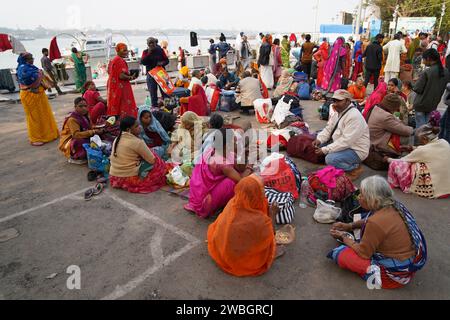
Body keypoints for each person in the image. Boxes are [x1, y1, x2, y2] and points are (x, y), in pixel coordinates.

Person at [328, 176, 427, 289]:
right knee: (363, 218)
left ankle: (376, 275)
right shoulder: (393, 205)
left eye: (362, 195)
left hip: (394, 274)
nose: (358, 197)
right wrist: (349, 225)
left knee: (340, 254)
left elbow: (364, 253)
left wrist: (344, 238)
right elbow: (369, 220)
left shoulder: (375, 222)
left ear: (373, 200)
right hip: (409, 260)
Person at [207, 174, 283, 277]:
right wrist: (273, 214)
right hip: (239, 259)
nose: (264, 192)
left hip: (224, 249)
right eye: (262, 190)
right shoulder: (259, 220)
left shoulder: (232, 203)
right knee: (271, 248)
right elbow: (270, 235)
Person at [184, 128, 253, 219]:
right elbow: (241, 181)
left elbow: (239, 167)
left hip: (197, 194)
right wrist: (249, 167)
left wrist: (245, 155)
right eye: (234, 141)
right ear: (227, 145)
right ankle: (218, 206)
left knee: (235, 174)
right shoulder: (222, 163)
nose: (236, 143)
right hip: (204, 202)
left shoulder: (213, 150)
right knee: (232, 183)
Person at [313, 89, 370, 178]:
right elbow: (329, 129)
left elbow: (346, 141)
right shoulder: (338, 112)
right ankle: (341, 164)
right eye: (334, 101)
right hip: (343, 144)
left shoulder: (354, 116)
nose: (335, 104)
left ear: (347, 101)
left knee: (330, 159)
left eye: (339, 101)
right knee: (317, 145)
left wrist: (325, 149)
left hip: (355, 150)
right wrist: (319, 139)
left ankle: (353, 168)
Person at [388, 125, 450, 199]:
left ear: (424, 138)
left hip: (433, 191)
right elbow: (431, 149)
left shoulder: (422, 150)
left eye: (419, 139)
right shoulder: (444, 143)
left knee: (396, 164)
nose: (419, 141)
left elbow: (402, 160)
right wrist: (412, 148)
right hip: (447, 189)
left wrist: (387, 159)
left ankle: (406, 186)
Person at [109, 116, 167, 194]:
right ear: (128, 130)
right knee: (158, 162)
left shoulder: (117, 139)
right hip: (129, 177)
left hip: (115, 176)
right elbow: (152, 160)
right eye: (136, 126)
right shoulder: (137, 142)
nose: (140, 127)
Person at [17, 52, 59, 147]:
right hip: (29, 95)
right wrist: (38, 73)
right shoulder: (22, 69)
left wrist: (39, 73)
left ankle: (49, 134)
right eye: (29, 59)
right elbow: (28, 79)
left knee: (44, 115)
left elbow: (38, 75)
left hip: (39, 94)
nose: (32, 60)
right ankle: (35, 138)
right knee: (34, 118)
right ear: (25, 60)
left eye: (32, 58)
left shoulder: (31, 67)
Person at [365, 94, 414, 171]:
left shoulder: (376, 107)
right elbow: (407, 131)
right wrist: (404, 117)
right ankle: (398, 156)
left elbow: (395, 121)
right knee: (405, 137)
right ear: (393, 107)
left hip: (371, 140)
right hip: (377, 145)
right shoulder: (385, 116)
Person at [413, 48, 450, 129]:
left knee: (420, 129)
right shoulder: (446, 72)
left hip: (421, 104)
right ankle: (428, 142)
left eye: (424, 59)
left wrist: (417, 81)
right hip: (433, 104)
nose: (423, 61)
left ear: (429, 59)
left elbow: (417, 89)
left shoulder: (427, 71)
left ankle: (420, 142)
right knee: (428, 128)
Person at [59, 97, 103, 164]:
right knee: (80, 142)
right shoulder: (72, 119)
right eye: (80, 106)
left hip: (83, 135)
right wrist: (93, 131)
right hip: (71, 140)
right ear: (75, 107)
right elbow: (76, 135)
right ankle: (74, 157)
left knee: (101, 136)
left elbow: (89, 127)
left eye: (85, 106)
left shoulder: (85, 114)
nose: (83, 108)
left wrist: (97, 129)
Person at [107, 43, 138, 119]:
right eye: (124, 50)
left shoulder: (113, 60)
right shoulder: (119, 60)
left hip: (113, 86)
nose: (126, 52)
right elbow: (121, 75)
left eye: (127, 50)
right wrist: (131, 77)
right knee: (124, 105)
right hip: (121, 87)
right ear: (118, 51)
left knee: (116, 104)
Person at [141, 37, 170, 108]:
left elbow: (167, 60)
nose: (151, 44)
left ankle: (168, 107)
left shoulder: (160, 50)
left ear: (155, 43)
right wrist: (149, 53)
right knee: (153, 92)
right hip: (151, 74)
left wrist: (162, 63)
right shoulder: (145, 52)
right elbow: (143, 62)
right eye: (149, 43)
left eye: (152, 43)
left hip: (161, 73)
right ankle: (155, 108)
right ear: (147, 44)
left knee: (165, 91)